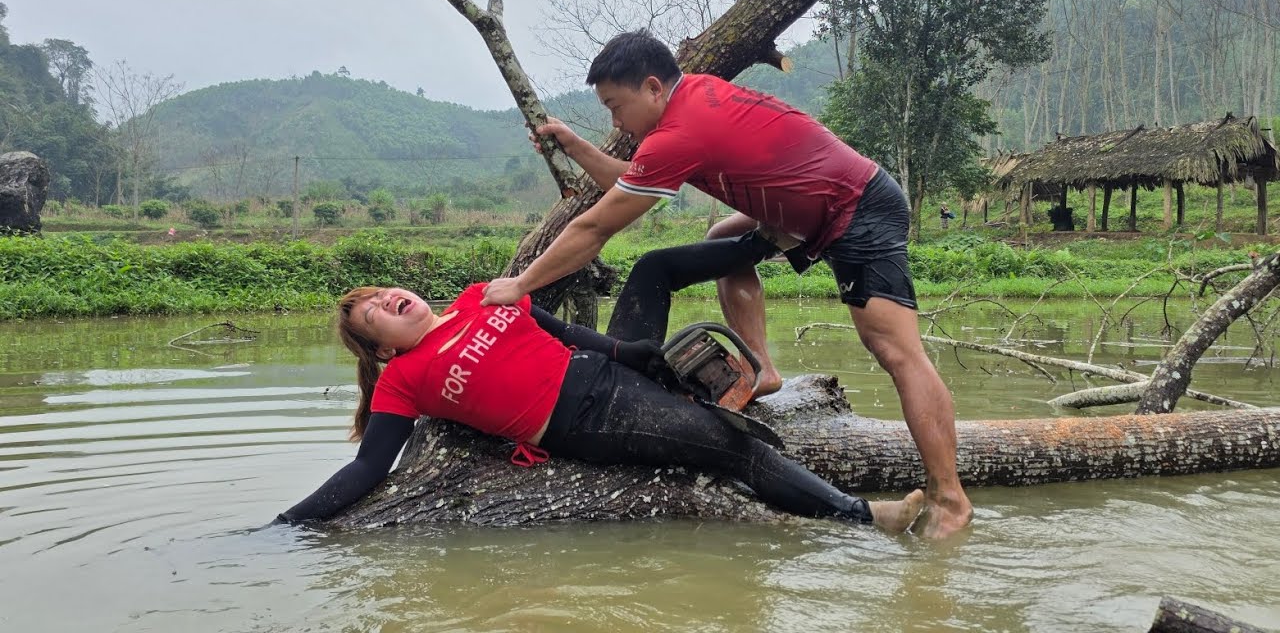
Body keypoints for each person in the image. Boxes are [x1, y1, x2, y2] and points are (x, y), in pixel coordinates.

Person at [481, 29, 972, 538]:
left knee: (895, 350)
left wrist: (521, 285)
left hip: (858, 207)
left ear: (652, 88)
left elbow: (596, 226)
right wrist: (577, 145)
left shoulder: (682, 133)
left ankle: (951, 499)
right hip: (796, 216)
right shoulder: (691, 99)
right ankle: (764, 368)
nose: (615, 120)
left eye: (615, 106)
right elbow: (628, 181)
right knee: (723, 237)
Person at [276, 282, 925, 531]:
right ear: (380, 351)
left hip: (606, 379)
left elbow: (565, 334)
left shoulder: (483, 298)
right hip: (583, 421)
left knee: (730, 428)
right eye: (376, 315)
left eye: (387, 293)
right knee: (734, 448)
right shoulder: (403, 382)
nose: (391, 300)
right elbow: (368, 470)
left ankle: (839, 507)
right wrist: (290, 523)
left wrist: (633, 352)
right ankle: (864, 517)